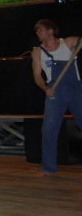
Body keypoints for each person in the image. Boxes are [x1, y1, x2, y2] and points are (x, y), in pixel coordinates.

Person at [31, 19, 82, 175]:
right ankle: (48, 168)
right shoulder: (38, 52)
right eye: (37, 31)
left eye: (40, 30)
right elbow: (37, 76)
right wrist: (45, 88)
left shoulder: (68, 43)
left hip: (76, 91)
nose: (37, 33)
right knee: (49, 130)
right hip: (55, 93)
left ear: (51, 31)